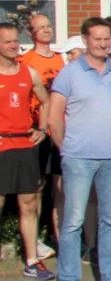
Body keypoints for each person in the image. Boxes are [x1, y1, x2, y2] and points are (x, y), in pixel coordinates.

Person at [50, 18, 111, 281]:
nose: (102, 44)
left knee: (110, 220)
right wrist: (67, 148)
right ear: (85, 40)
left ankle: (110, 277)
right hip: (78, 157)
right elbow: (54, 117)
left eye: (106, 39)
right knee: (73, 220)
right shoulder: (69, 74)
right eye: (97, 39)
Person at [0, 22, 53, 281]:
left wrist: (42, 129)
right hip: (1, 147)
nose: (13, 45)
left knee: (29, 205)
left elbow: (46, 101)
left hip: (25, 145)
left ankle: (32, 260)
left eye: (14, 40)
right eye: (7, 41)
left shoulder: (28, 72)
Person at [17, 13, 63, 261]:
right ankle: (33, 241)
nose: (47, 30)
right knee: (35, 188)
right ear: (31, 33)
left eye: (48, 26)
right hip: (35, 129)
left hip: (59, 128)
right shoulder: (25, 60)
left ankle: (61, 238)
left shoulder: (60, 59)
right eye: (41, 27)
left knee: (60, 188)